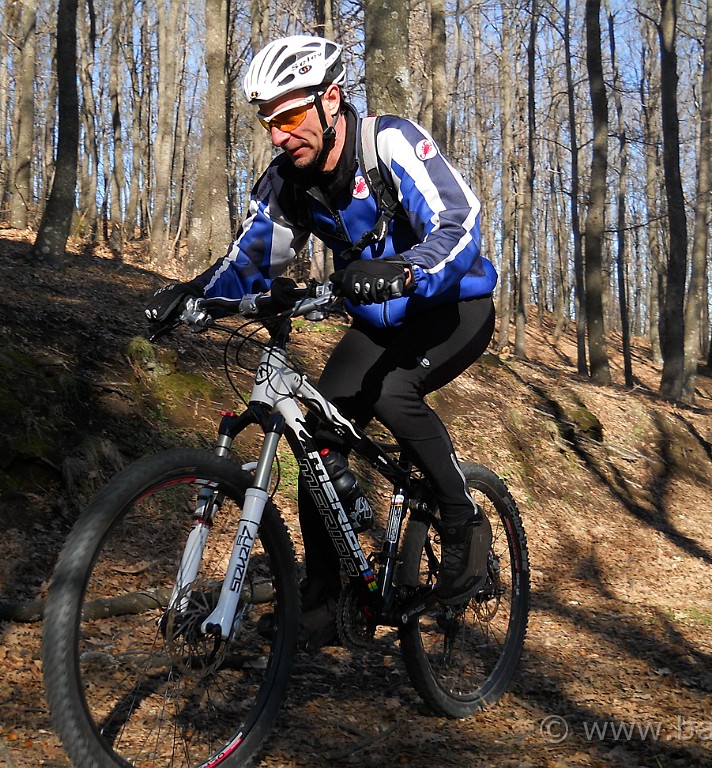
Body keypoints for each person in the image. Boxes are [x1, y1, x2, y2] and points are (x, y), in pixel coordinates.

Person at [146, 35, 497, 642]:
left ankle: (463, 521)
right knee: (316, 434)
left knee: (392, 392)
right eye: (268, 121)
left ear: (331, 100)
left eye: (289, 115)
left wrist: (410, 269)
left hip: (453, 306)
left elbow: (460, 217)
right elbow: (254, 257)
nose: (278, 135)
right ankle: (326, 595)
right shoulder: (289, 182)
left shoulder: (386, 142)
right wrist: (194, 293)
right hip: (379, 319)